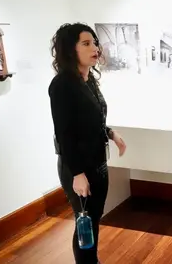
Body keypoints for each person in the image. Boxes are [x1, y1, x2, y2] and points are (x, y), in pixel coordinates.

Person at [49, 23, 127, 264]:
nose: (95, 47)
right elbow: (65, 134)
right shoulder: (62, 85)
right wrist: (78, 174)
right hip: (79, 168)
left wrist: (112, 134)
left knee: (93, 218)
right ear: (70, 49)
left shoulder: (88, 79)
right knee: (84, 221)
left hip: (97, 162)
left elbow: (92, 120)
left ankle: (91, 260)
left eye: (94, 42)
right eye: (86, 43)